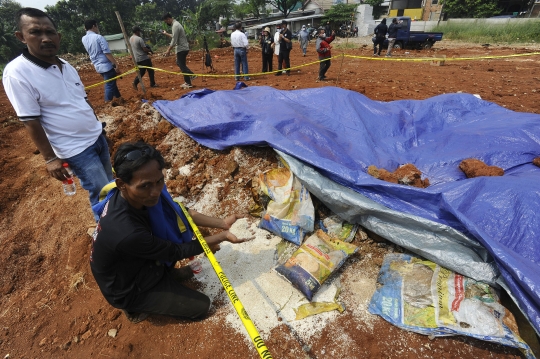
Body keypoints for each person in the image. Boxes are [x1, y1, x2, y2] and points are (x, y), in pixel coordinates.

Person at [90, 142, 253, 323]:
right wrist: (221, 238)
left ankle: (165, 275)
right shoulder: (126, 231)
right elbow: (177, 250)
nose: (155, 192)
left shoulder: (142, 194)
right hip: (127, 287)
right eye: (145, 186)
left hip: (137, 260)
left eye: (159, 181)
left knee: (163, 230)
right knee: (201, 307)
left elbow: (178, 211)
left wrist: (222, 223)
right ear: (121, 184)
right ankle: (135, 306)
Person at [3, 8, 114, 221]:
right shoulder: (17, 72)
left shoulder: (66, 66)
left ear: (58, 36)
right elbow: (30, 120)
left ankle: (117, 225)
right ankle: (107, 236)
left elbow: (83, 100)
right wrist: (50, 158)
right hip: (75, 148)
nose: (45, 38)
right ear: (21, 37)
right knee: (102, 194)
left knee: (109, 184)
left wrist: (97, 127)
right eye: (35, 32)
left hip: (97, 137)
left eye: (50, 32)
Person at [82, 19, 122, 102]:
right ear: (94, 26)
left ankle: (119, 98)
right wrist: (115, 64)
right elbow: (107, 53)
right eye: (97, 26)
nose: (97, 28)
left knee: (111, 83)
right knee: (109, 84)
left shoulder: (84, 39)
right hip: (106, 65)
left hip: (97, 66)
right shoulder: (98, 37)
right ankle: (107, 103)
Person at [161, 13, 195, 90]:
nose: (166, 23)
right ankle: (190, 77)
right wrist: (166, 33)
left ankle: (189, 81)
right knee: (179, 63)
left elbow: (174, 40)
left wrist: (168, 50)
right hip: (182, 48)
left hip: (182, 49)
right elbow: (174, 36)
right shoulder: (176, 25)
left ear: (168, 19)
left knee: (181, 65)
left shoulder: (175, 26)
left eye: (166, 21)